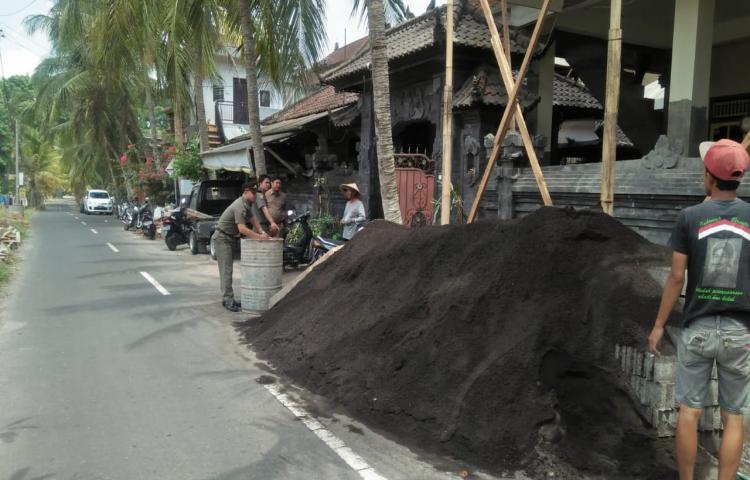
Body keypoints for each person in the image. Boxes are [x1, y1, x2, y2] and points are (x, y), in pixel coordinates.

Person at [648, 139, 750, 480]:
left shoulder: (690, 217)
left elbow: (677, 278)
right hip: (740, 332)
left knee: (689, 412)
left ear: (709, 176)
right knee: (733, 415)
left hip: (698, 329)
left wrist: (659, 325)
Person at [214, 182, 270, 312]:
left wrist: (261, 231)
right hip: (222, 239)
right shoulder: (239, 206)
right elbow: (242, 229)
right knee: (226, 271)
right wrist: (259, 237)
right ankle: (228, 299)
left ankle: (227, 298)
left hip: (230, 238)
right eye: (254, 193)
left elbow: (253, 218)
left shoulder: (247, 204)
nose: (255, 196)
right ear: (246, 192)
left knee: (228, 270)